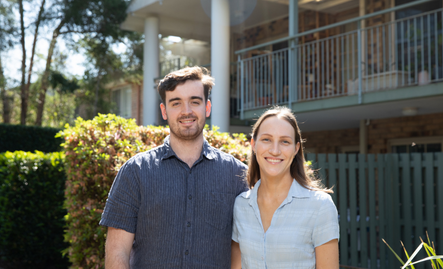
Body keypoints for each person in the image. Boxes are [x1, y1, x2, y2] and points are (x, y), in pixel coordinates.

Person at [100, 66, 248, 268]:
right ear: (164, 111)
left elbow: (244, 248)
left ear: (207, 107)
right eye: (176, 103)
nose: (186, 111)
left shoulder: (237, 174)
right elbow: (117, 252)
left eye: (195, 101)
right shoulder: (135, 172)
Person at [231, 106, 339, 269]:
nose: (275, 150)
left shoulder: (320, 206)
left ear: (296, 149)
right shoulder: (240, 205)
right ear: (253, 144)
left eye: (285, 141)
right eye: (266, 139)